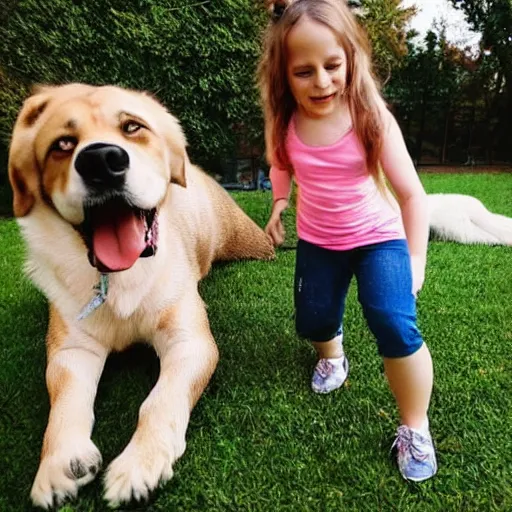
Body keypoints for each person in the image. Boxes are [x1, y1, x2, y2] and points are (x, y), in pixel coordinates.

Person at [258, 0, 437, 482]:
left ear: (351, 60)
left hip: (380, 239)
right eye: (304, 71)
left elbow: (412, 195)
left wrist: (415, 260)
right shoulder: (284, 121)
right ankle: (332, 356)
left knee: (394, 322)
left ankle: (415, 426)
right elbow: (280, 165)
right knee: (314, 319)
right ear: (283, 74)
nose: (321, 81)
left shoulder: (370, 117)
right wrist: (279, 204)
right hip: (318, 241)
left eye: (332, 65)